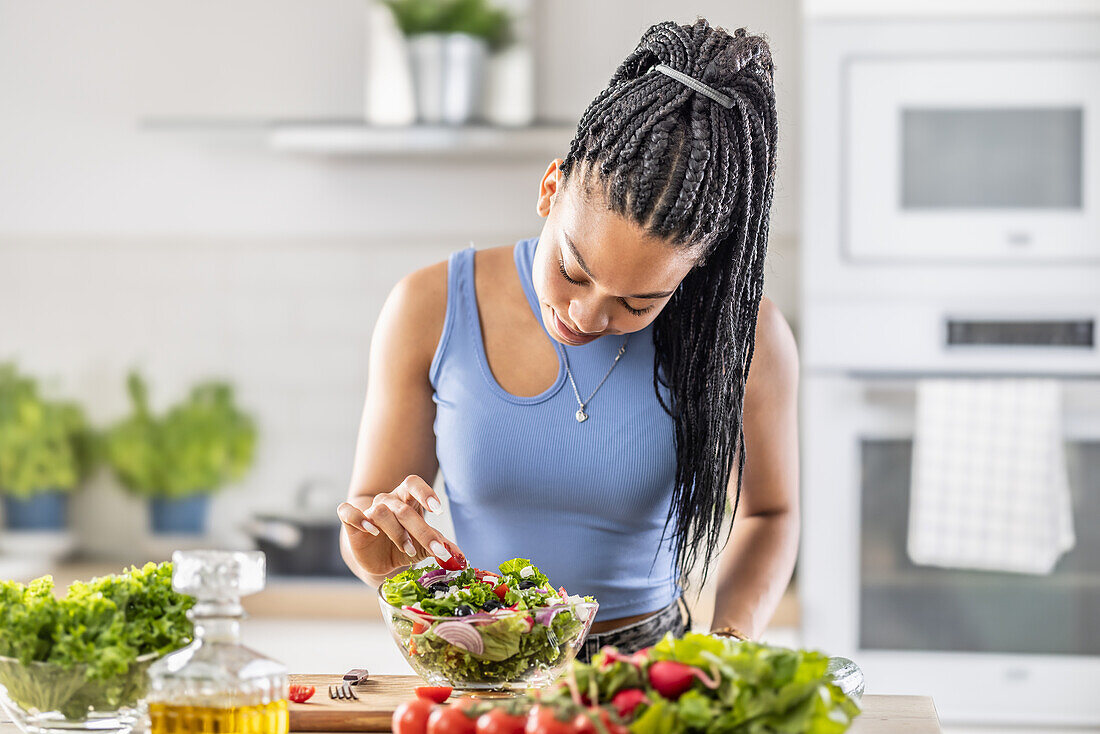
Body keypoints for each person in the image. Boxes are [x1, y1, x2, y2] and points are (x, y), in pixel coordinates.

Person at [338, 18, 797, 660]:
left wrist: (726, 647)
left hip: (651, 669)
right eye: (572, 271)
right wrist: (375, 556)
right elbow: (372, 506)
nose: (585, 315)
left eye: (638, 303)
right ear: (551, 188)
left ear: (694, 270)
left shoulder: (744, 341)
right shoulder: (429, 307)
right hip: (480, 663)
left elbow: (768, 515)